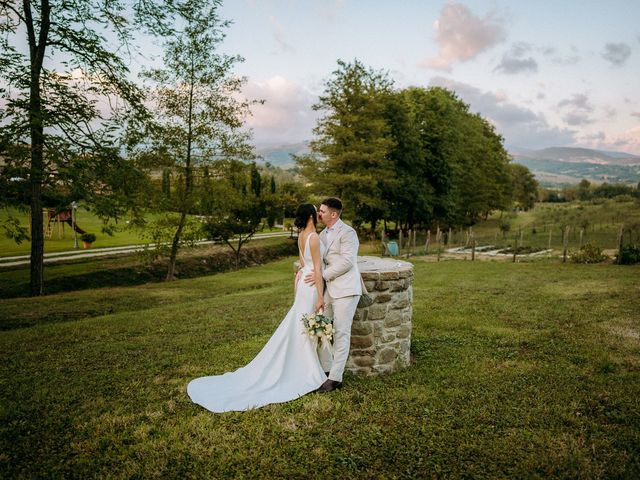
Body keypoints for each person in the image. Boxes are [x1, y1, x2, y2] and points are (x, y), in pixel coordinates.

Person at [187, 204, 327, 412]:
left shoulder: (301, 236)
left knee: (300, 325)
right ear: (310, 216)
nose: (318, 214)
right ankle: (307, 370)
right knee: (303, 325)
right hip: (311, 286)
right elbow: (317, 268)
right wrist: (321, 297)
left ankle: (306, 364)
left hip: (303, 283)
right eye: (316, 211)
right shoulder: (314, 237)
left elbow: (301, 265)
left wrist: (299, 280)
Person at [305, 197, 362, 393]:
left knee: (340, 332)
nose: (319, 214)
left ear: (334, 214)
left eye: (322, 211)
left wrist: (322, 275)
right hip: (329, 290)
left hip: (346, 290)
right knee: (320, 327)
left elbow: (347, 262)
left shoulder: (348, 233)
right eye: (319, 211)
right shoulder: (321, 235)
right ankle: (326, 369)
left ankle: (336, 378)